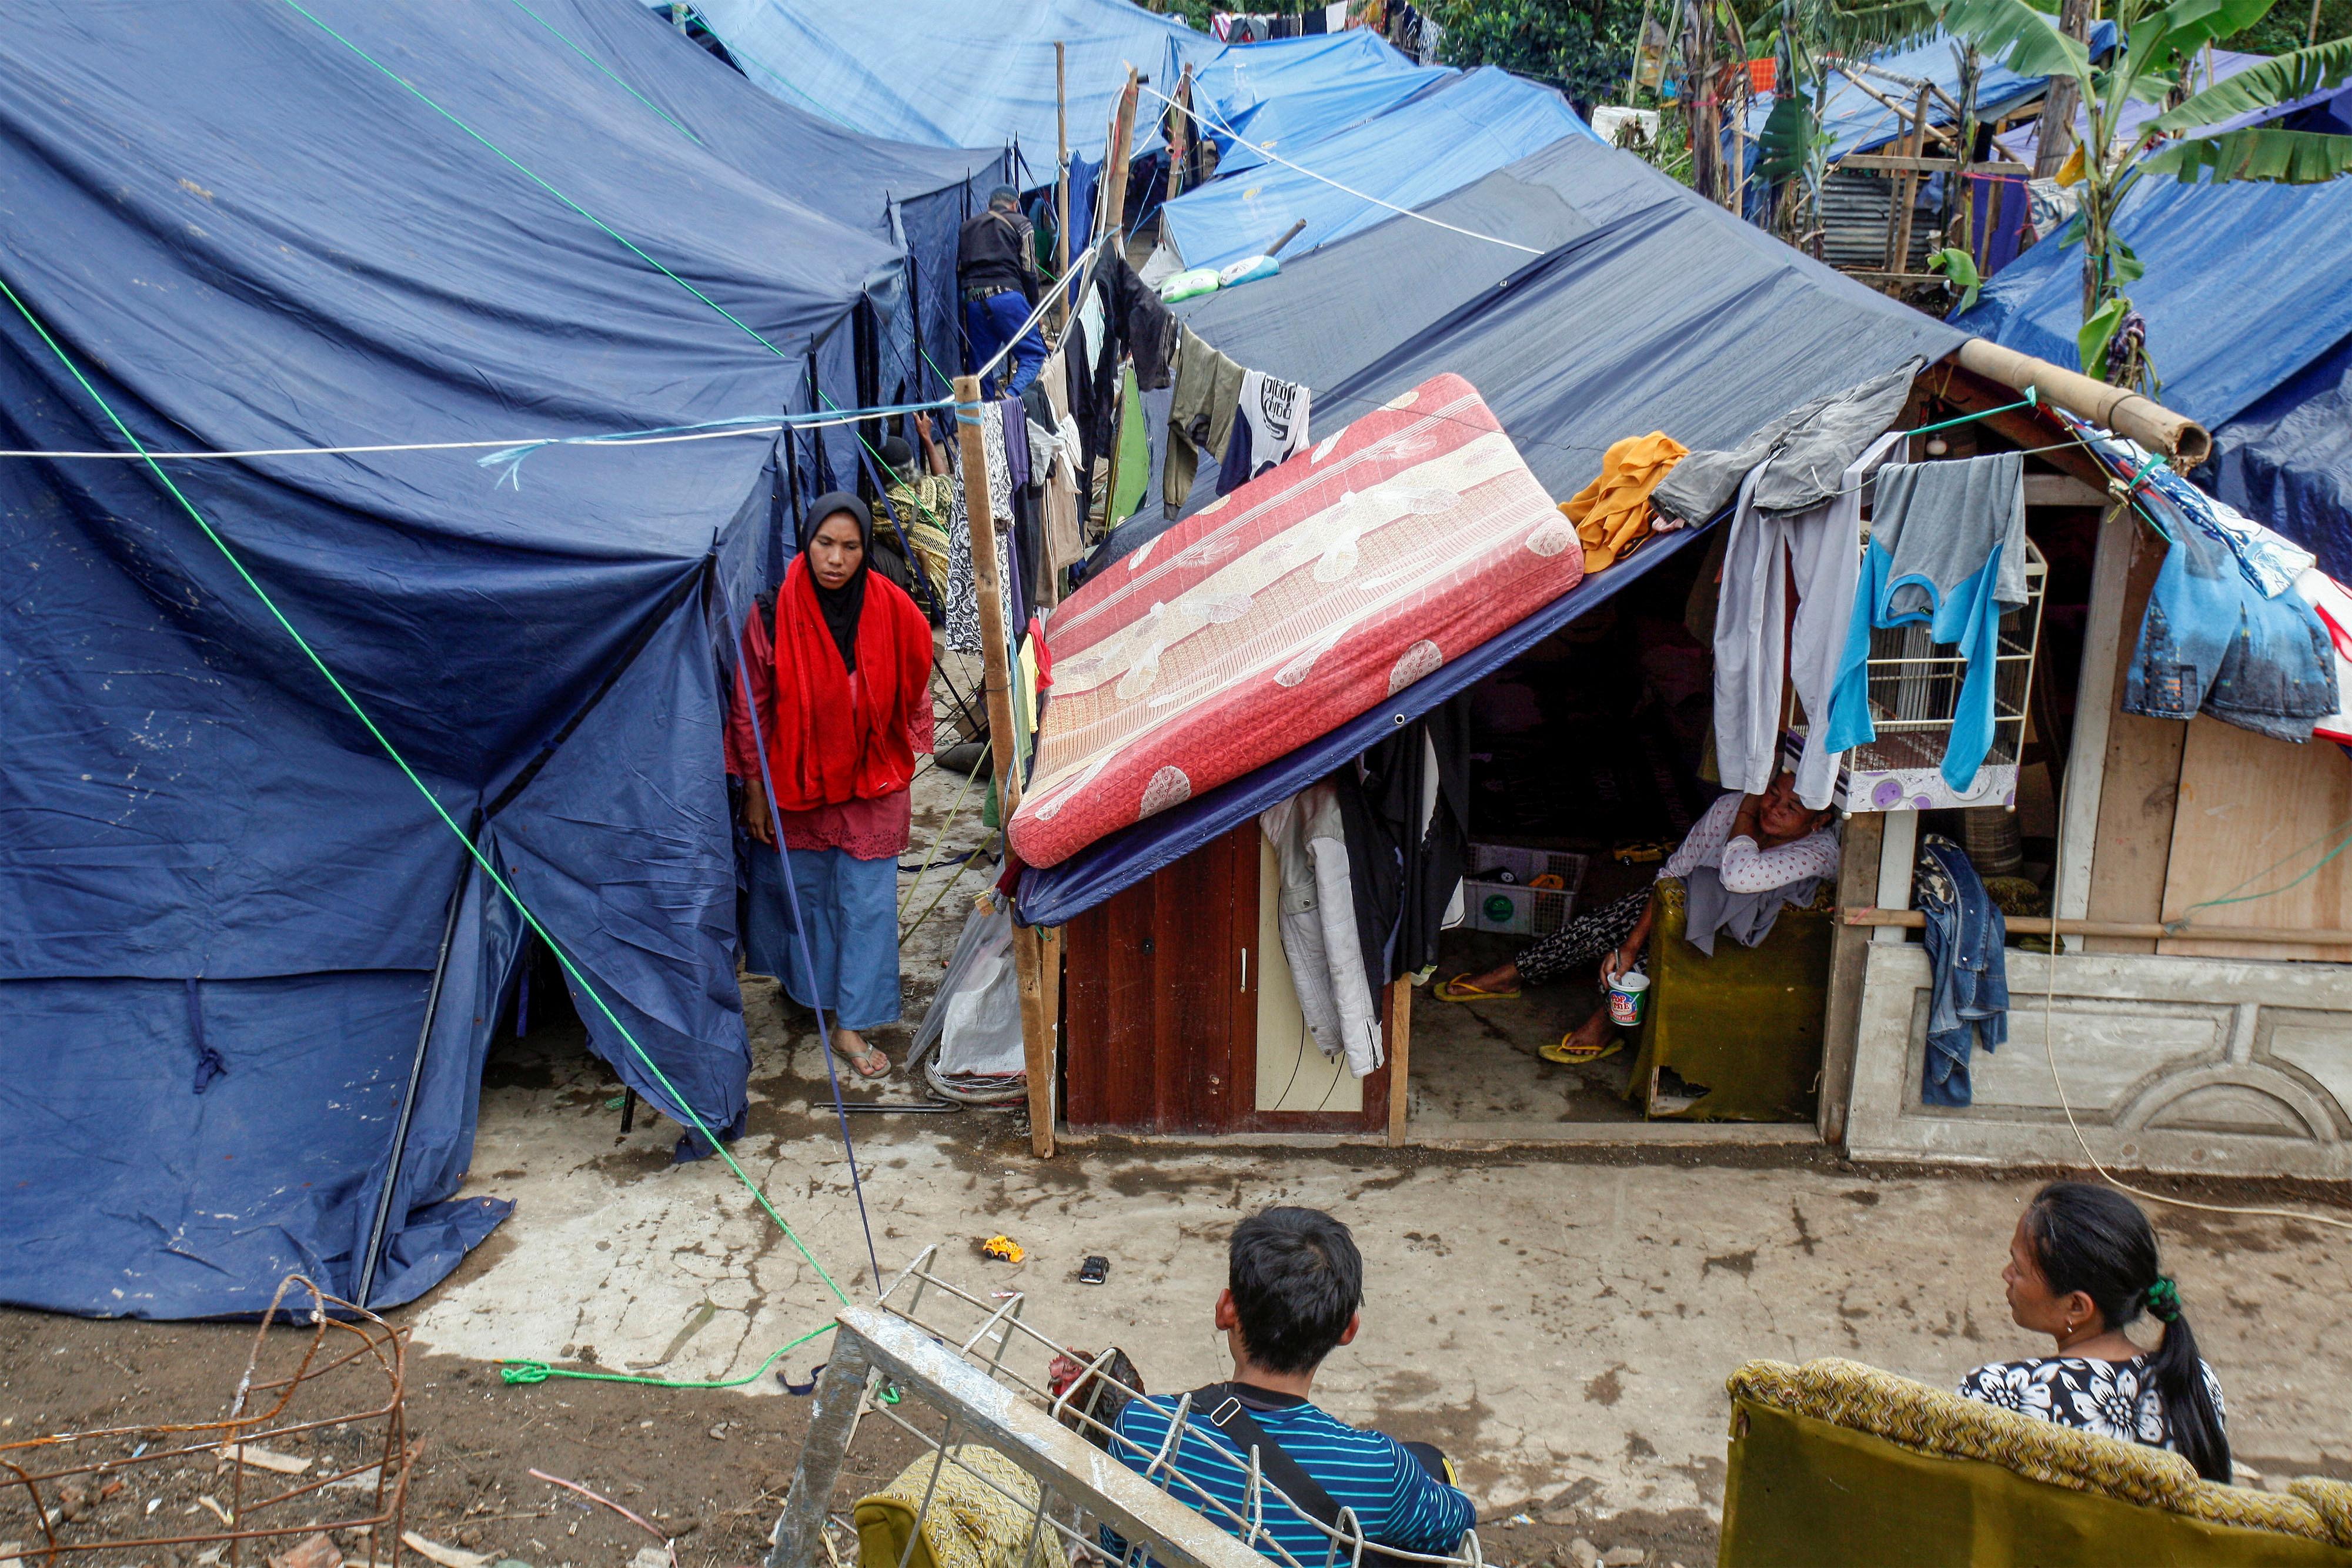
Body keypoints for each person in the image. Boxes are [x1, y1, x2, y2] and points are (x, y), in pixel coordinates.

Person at [1101, 1207, 1476, 1566]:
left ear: (1225, 1310)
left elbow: (1115, 1548)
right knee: (1429, 1463)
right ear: (1348, 1329)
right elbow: (1458, 1525)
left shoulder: (1139, 1427)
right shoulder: (1381, 1468)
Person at [726, 493, 933, 1079]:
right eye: (825, 544)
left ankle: (850, 1024)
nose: (835, 559)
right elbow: (751, 706)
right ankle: (810, 992)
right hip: (798, 781)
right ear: (806, 542)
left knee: (865, 905)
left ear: (865, 551)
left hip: (871, 781)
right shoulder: (771, 612)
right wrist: (754, 788)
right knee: (808, 896)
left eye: (849, 547)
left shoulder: (893, 609)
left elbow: (917, 677)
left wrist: (888, 732)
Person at [1438, 769, 1838, 1064]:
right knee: (1601, 928)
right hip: (1684, 902)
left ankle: (1605, 1023)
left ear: (1818, 820)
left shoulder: (1821, 850)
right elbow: (1671, 874)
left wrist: (1747, 820)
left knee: (1643, 969)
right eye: (1772, 793)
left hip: (1734, 934)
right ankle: (1515, 973)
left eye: (1794, 807)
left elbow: (1737, 876)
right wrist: (1628, 945)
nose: (1776, 808)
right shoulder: (1730, 807)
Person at [1956, 1182, 2231, 1482]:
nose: (2006, 1274)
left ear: (2077, 1307)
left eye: (2019, 1269)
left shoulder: (1997, 1392)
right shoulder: (2196, 1380)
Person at [958, 185, 1046, 398]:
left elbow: (960, 270)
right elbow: (1029, 270)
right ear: (1015, 205)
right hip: (1007, 298)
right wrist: (1035, 312)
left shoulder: (967, 227)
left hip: (973, 302)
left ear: (990, 206)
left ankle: (987, 418)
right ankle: (1012, 396)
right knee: (1034, 354)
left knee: (981, 370)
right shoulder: (1022, 224)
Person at [876, 414, 954, 611]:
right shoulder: (936, 486)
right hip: (959, 591)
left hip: (936, 601)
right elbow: (943, 475)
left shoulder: (885, 508)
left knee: (870, 551)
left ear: (881, 473)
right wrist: (927, 438)